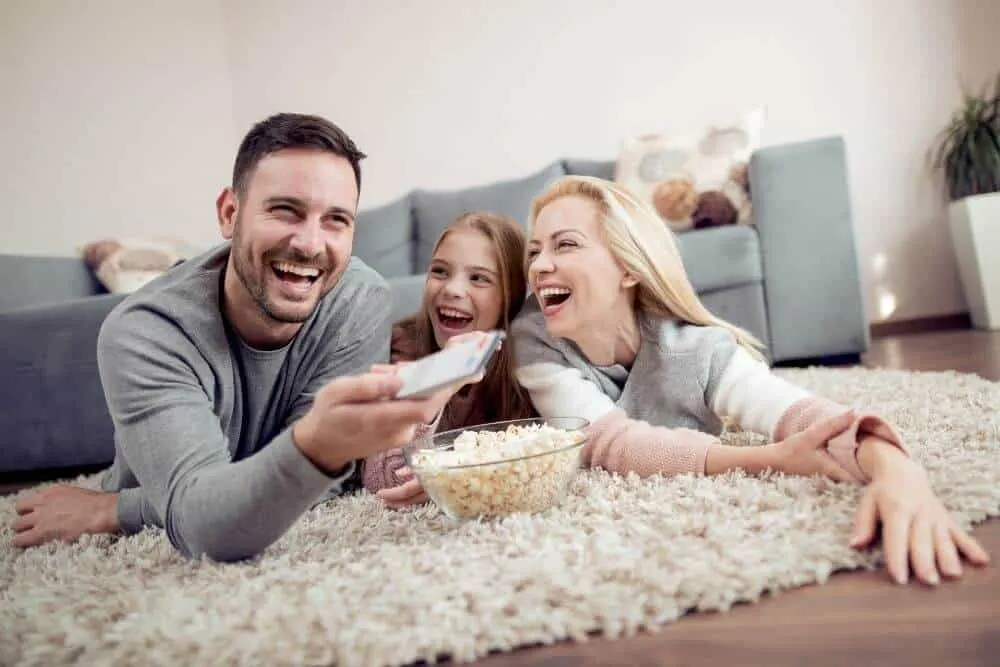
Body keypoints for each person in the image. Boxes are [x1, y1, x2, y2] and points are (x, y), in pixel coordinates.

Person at [11, 113, 455, 561]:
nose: (310, 243)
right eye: (286, 210)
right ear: (229, 213)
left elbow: (316, 486)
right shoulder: (143, 332)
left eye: (335, 219)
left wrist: (121, 509)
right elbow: (209, 530)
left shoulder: (359, 298)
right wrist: (319, 447)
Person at [512, 174, 990, 586]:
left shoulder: (696, 349)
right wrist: (770, 459)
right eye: (534, 251)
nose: (539, 266)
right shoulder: (533, 341)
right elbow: (610, 443)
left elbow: (802, 414)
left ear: (629, 269)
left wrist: (896, 470)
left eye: (565, 244)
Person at [363, 211, 537, 508]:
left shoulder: (528, 356)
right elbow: (384, 482)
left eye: (479, 278)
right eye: (440, 271)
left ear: (511, 297)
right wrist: (442, 375)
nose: (452, 290)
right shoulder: (402, 344)